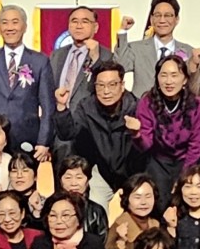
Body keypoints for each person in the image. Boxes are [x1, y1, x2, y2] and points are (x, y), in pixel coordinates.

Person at [55, 61, 141, 208]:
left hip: (134, 173)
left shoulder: (137, 107)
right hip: (102, 172)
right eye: (100, 85)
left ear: (122, 85)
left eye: (112, 85)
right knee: (94, 204)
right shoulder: (86, 106)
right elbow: (67, 134)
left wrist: (138, 132)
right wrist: (62, 107)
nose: (106, 91)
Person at [0, 5, 56, 157]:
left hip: (26, 138)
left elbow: (48, 107)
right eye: (5, 23)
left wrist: (43, 141)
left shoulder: (40, 61)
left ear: (25, 27)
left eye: (15, 22)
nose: (9, 28)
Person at [135, 54, 200, 196]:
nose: (168, 81)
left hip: (188, 160)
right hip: (158, 162)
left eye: (174, 75)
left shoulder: (197, 105)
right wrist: (136, 134)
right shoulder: (147, 102)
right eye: (164, 75)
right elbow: (146, 144)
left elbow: (196, 145)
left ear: (184, 79)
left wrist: (183, 176)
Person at [115, 0, 196, 96]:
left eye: (167, 15)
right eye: (157, 15)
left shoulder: (188, 51)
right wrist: (122, 31)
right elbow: (121, 66)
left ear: (177, 19)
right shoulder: (136, 48)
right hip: (142, 104)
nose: (162, 20)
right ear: (151, 19)